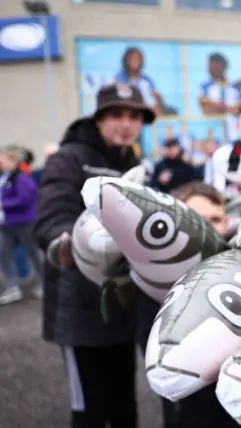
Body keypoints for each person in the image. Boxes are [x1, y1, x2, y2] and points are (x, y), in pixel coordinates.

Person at [34, 82, 155, 428]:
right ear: (98, 120)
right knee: (88, 409)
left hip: (122, 305)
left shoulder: (135, 163)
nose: (126, 123)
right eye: (116, 114)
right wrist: (66, 244)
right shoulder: (69, 158)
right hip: (78, 308)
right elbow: (53, 214)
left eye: (134, 116)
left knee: (124, 404)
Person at [136, 181, 240, 428]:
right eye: (196, 219)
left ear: (226, 224)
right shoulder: (156, 279)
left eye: (214, 219)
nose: (206, 228)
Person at [0, 149, 43, 305]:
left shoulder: (22, 177)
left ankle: (43, 283)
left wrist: (3, 205)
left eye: (2, 161)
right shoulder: (5, 178)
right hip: (7, 224)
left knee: (35, 254)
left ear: (12, 161)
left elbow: (25, 199)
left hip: (25, 222)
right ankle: (12, 287)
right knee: (4, 255)